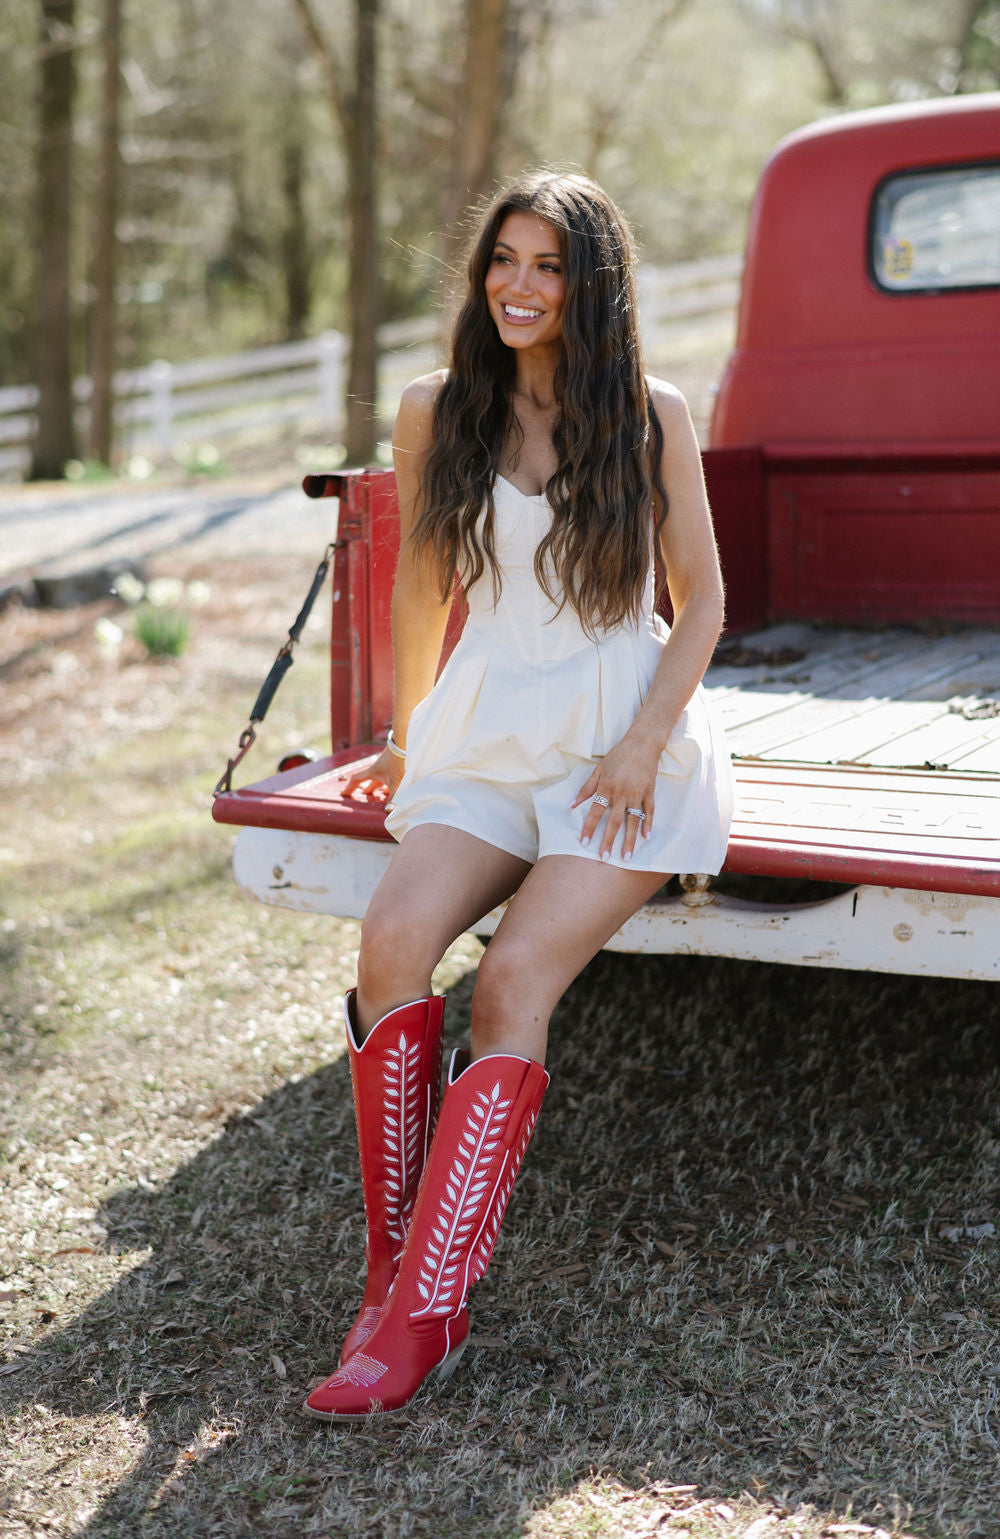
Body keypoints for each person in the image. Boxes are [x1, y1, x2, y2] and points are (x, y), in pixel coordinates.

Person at [303, 169, 734, 1421]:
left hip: (619, 737)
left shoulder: (648, 414)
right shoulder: (437, 407)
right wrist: (401, 731)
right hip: (489, 724)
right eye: (504, 260)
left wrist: (647, 744)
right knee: (391, 942)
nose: (518, 286)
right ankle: (389, 1272)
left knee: (509, 982)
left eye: (547, 266)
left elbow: (701, 599)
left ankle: (432, 1305)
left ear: (590, 284)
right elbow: (425, 584)